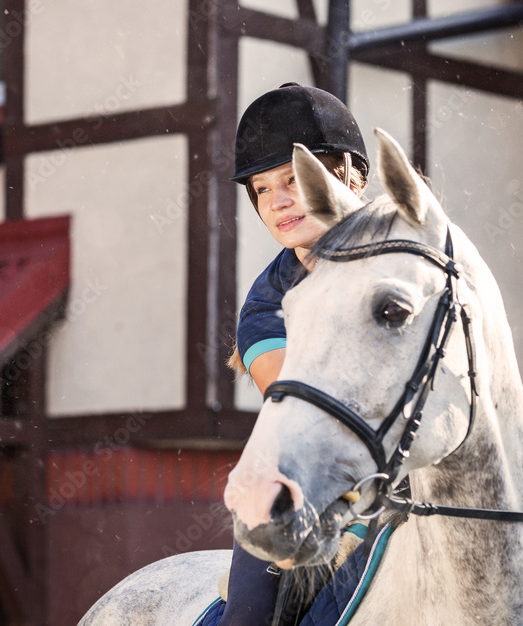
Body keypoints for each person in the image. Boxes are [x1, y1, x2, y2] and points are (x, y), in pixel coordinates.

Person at [212, 83, 369, 626]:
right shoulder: (265, 302)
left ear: (349, 176)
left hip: (434, 474)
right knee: (248, 618)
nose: (277, 200)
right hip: (314, 492)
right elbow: (302, 396)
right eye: (261, 189)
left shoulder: (409, 256)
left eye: (294, 179)